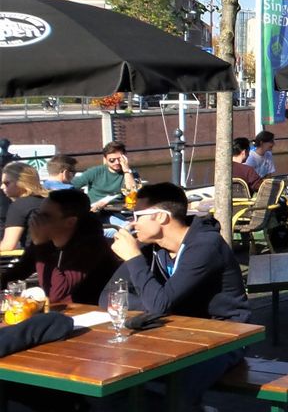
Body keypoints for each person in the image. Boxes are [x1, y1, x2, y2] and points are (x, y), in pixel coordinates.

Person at [108, 182, 251, 408]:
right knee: (116, 377)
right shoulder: (153, 247)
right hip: (179, 331)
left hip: (225, 336)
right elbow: (110, 296)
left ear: (162, 217)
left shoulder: (206, 245)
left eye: (138, 215)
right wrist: (152, 300)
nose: (133, 222)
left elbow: (159, 305)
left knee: (179, 392)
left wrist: (134, 259)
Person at [2, 188, 118, 304]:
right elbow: (20, 271)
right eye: (37, 214)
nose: (37, 220)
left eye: (45, 216)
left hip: (94, 312)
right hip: (64, 312)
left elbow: (55, 294)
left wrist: (42, 245)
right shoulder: (47, 238)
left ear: (70, 222)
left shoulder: (91, 245)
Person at [71, 141, 140, 214]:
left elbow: (132, 194)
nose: (116, 162)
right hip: (94, 211)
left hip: (118, 211)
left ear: (125, 157)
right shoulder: (95, 171)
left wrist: (126, 170)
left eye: (120, 159)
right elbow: (72, 186)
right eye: (112, 160)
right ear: (105, 159)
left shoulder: (132, 173)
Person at [1, 163, 47, 251]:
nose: (2, 187)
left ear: (22, 183)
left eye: (7, 183)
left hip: (34, 258)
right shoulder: (48, 201)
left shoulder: (19, 205)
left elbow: (8, 245)